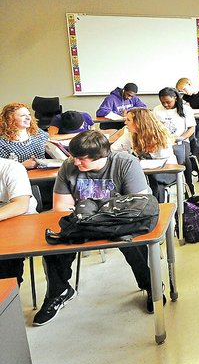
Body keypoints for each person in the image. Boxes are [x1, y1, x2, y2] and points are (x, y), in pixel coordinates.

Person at [33, 130, 164, 326]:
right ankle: (59, 291)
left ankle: (151, 285)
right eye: (74, 157)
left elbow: (137, 207)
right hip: (84, 223)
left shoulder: (125, 163)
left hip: (118, 223)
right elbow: (60, 208)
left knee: (133, 243)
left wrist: (92, 214)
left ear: (101, 155)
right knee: (54, 246)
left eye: (82, 159)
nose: (76, 163)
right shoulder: (69, 165)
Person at [110, 109, 177, 202]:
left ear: (139, 122)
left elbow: (162, 161)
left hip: (165, 171)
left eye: (129, 120)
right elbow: (113, 149)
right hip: (144, 171)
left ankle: (154, 206)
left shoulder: (161, 136)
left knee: (152, 182)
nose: (125, 123)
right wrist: (125, 156)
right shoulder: (130, 134)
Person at [0, 158, 38, 284]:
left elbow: (20, 205)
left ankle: (8, 296)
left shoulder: (12, 168)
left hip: (21, 220)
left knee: (5, 264)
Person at [153, 87, 196, 194]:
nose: (166, 105)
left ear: (175, 98)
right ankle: (163, 184)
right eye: (163, 103)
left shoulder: (186, 109)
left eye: (168, 102)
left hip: (182, 140)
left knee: (182, 157)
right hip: (163, 142)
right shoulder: (157, 110)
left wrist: (181, 138)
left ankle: (188, 185)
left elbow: (191, 129)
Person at [0, 102, 49, 169]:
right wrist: (22, 165)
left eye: (29, 114)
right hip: (20, 177)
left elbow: (50, 141)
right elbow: (2, 169)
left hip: (45, 175)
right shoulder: (2, 143)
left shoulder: (37, 132)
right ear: (10, 119)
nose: (28, 118)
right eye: (22, 115)